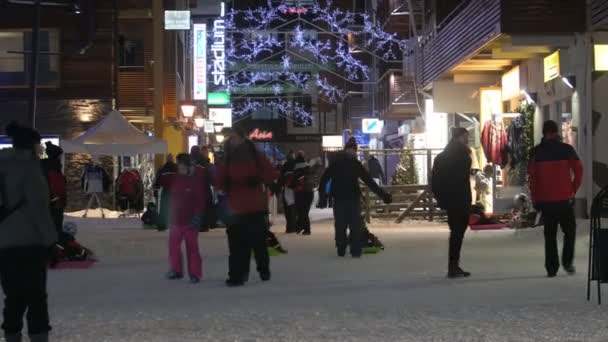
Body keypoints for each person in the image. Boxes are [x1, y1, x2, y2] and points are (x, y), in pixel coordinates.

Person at [0, 122, 57, 342]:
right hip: (30, 241)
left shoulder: (3, 165)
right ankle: (38, 336)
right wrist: (51, 241)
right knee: (35, 297)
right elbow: (38, 209)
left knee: (13, 295)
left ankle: (11, 335)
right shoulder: (30, 169)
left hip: (4, 242)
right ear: (30, 146)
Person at [216, 128, 279, 287]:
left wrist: (257, 179)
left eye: (233, 137)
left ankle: (262, 269)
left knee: (257, 243)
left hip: (254, 205)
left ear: (242, 137)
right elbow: (219, 180)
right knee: (237, 244)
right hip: (237, 206)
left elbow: (270, 173)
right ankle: (237, 275)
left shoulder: (254, 154)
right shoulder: (229, 157)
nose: (231, 140)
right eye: (229, 138)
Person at [318, 138, 392, 258]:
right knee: (354, 225)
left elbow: (323, 180)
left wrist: (323, 197)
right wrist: (383, 195)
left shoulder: (336, 163)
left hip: (340, 199)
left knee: (341, 225)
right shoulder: (354, 164)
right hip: (352, 199)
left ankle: (341, 248)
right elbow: (369, 182)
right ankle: (355, 250)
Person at [528, 120, 583, 277]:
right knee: (570, 231)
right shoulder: (567, 149)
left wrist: (535, 199)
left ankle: (552, 268)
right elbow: (579, 169)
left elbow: (532, 178)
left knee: (550, 235)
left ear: (543, 133)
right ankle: (567, 262)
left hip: (546, 201)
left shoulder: (535, 152)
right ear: (557, 132)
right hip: (565, 199)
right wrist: (573, 189)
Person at [431, 127, 472, 278]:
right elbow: (460, 179)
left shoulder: (441, 157)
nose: (468, 139)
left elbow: (435, 182)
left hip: (451, 200)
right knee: (457, 233)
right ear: (460, 137)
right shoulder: (463, 156)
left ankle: (453, 265)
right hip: (460, 199)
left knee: (456, 232)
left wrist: (442, 199)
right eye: (466, 136)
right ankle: (453, 266)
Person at [160, 154, 206, 284]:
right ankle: (176, 269)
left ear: (189, 167)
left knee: (192, 248)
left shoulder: (194, 182)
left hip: (190, 221)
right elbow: (162, 180)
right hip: (176, 220)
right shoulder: (175, 179)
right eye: (179, 166)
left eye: (183, 166)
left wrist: (197, 216)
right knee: (173, 247)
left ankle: (195, 273)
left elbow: (200, 201)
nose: (180, 168)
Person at [40, 142, 67, 244]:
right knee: (55, 228)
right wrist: (58, 199)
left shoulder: (43, 166)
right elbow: (57, 187)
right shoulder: (54, 168)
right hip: (54, 204)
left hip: (48, 202)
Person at [292, 151, 314, 235]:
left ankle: (303, 228)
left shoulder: (295, 168)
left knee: (300, 210)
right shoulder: (308, 167)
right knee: (305, 210)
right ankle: (301, 227)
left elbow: (293, 181)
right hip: (309, 191)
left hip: (299, 192)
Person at [154, 154, 177, 231]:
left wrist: (156, 187)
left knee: (164, 208)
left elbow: (158, 179)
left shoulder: (163, 168)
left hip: (166, 190)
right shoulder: (176, 168)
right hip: (174, 190)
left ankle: (162, 224)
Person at [280, 150, 297, 233]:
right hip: (295, 189)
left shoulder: (284, 166)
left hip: (286, 189)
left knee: (287, 209)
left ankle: (289, 227)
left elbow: (281, 178)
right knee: (294, 208)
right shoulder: (296, 165)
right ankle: (294, 226)